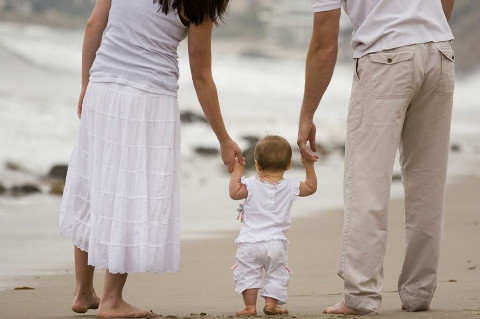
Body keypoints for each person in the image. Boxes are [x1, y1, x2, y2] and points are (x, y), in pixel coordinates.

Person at [59, 0, 244, 317]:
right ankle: (111, 300)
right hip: (149, 99)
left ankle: (83, 291)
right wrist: (224, 139)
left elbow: (94, 25)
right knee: (131, 193)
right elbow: (201, 76)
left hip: (102, 89)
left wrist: (86, 84)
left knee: (93, 185)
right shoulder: (198, 2)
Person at [297, 0, 455, 315]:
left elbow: (324, 47)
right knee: (428, 184)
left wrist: (307, 113)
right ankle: (419, 293)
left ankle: (360, 296)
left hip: (386, 57)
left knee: (366, 183)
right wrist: (423, 29)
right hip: (440, 51)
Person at [229, 135, 317, 316]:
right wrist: (309, 166)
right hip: (276, 243)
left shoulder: (251, 184)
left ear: (258, 165)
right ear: (288, 165)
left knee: (248, 274)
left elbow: (234, 193)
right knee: (276, 274)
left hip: (249, 243)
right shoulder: (291, 186)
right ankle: (271, 304)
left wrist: (238, 169)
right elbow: (310, 187)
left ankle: (250, 307)